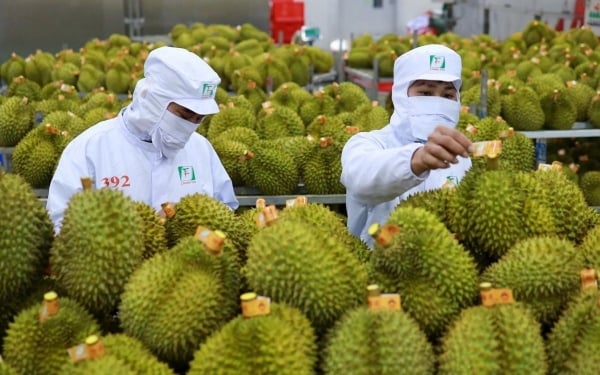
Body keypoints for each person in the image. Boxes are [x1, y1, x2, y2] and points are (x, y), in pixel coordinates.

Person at [47, 46, 239, 233]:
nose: (190, 125)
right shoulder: (89, 150)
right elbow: (61, 227)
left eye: (199, 119)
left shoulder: (201, 149)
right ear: (152, 100)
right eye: (184, 114)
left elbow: (225, 214)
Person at [340, 44, 473, 248]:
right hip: (376, 270)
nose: (437, 103)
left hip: (444, 271)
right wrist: (415, 160)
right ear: (401, 95)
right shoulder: (368, 144)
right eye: (426, 93)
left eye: (447, 96)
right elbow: (360, 176)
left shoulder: (462, 158)